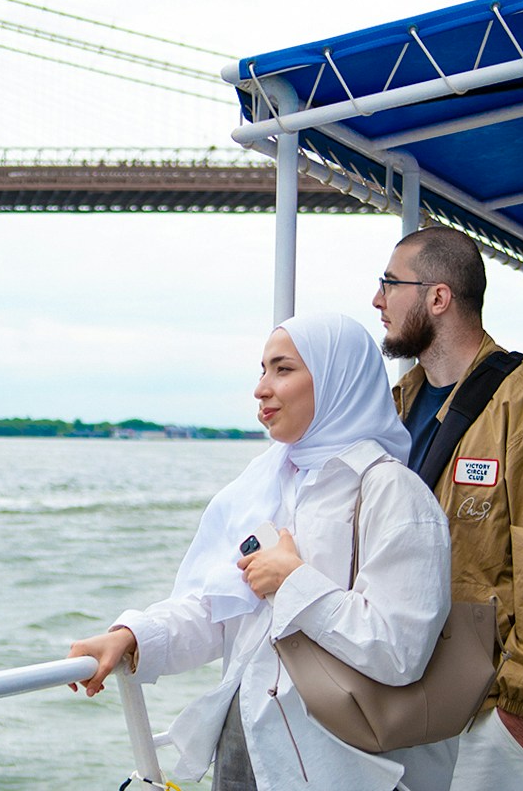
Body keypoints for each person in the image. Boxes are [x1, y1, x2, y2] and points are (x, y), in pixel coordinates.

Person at [68, 312, 454, 791]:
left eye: (283, 369)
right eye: (262, 369)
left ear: (339, 379)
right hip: (246, 741)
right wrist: (132, 636)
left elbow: (399, 651)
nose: (261, 388)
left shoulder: (394, 493)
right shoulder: (267, 482)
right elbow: (219, 612)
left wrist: (293, 582)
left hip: (339, 764)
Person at [373, 226, 523, 791]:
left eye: (390, 283)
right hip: (411, 687)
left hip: (494, 707)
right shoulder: (396, 406)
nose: (377, 299)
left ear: (438, 297)